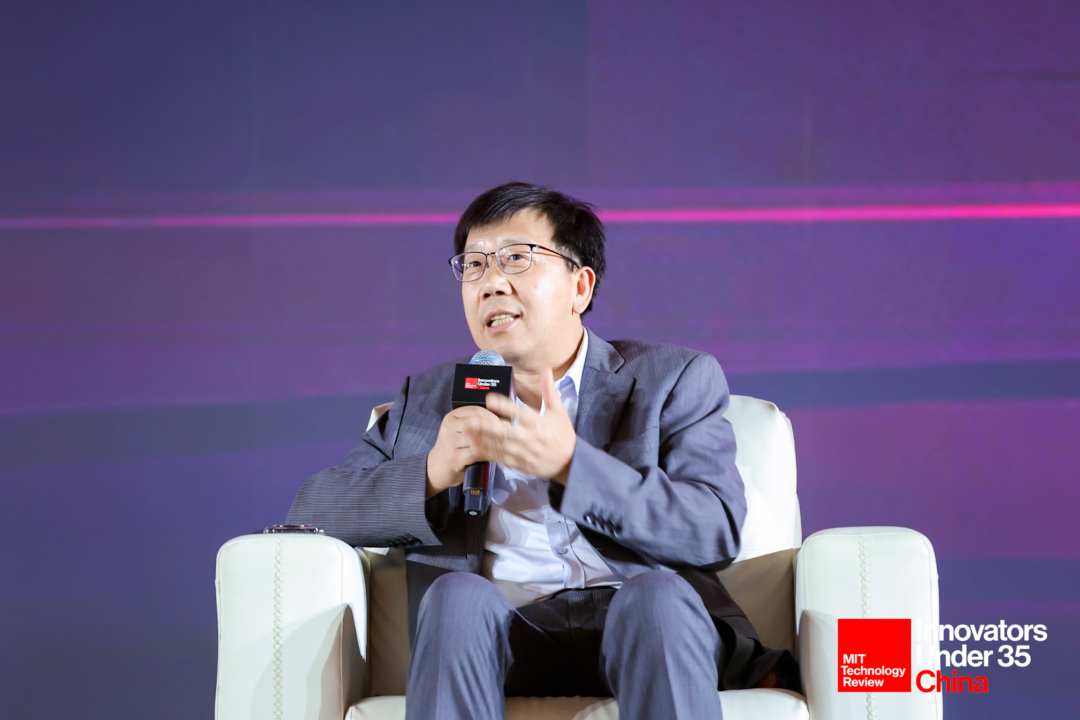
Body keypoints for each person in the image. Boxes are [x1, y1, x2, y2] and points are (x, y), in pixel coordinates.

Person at [286, 182, 799, 719]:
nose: (491, 283)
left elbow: (713, 529)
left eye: (516, 258)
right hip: (502, 637)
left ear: (580, 286)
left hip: (645, 627)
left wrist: (571, 466)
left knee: (657, 597)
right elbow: (314, 510)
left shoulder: (670, 378)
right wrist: (433, 472)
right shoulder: (429, 401)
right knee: (455, 598)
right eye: (474, 265)